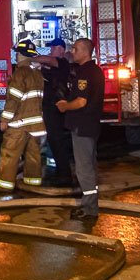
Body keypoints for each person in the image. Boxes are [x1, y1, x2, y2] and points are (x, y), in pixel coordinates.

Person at [56, 38, 105, 221]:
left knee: (84, 169)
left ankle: (89, 209)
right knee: (90, 166)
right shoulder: (94, 71)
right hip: (90, 125)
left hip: (82, 126)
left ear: (85, 51)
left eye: (75, 49)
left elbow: (81, 101)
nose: (72, 52)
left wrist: (64, 106)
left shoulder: (85, 73)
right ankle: (90, 205)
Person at [0, 39, 47, 191]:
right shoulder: (37, 74)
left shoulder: (20, 73)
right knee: (33, 156)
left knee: (10, 155)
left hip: (19, 123)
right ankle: (32, 183)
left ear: (20, 54)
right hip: (36, 124)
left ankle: (4, 186)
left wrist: (4, 120)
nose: (15, 56)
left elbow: (13, 100)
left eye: (16, 53)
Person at [34, 37, 75, 187]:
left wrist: (31, 57)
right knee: (53, 139)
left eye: (55, 48)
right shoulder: (49, 66)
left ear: (62, 50)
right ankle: (60, 171)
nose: (51, 50)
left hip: (56, 106)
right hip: (48, 106)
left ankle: (65, 175)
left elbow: (49, 60)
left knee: (57, 139)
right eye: (51, 47)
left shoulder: (62, 63)